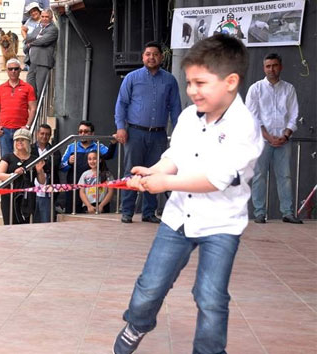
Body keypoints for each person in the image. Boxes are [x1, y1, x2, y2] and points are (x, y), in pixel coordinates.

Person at [111, 34, 264, 354]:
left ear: (230, 81)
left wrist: (165, 185)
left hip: (222, 223)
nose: (192, 91)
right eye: (189, 83)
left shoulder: (244, 126)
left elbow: (216, 179)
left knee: (210, 297)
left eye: (200, 83)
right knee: (150, 287)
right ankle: (137, 322)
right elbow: (175, 157)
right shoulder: (188, 117)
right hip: (179, 215)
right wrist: (154, 172)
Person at [114, 41, 181, 224]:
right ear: (143, 57)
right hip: (135, 133)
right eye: (148, 54)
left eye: (155, 54)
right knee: (131, 172)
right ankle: (127, 211)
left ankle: (149, 212)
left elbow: (175, 108)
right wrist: (120, 127)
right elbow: (121, 104)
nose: (151, 57)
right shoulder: (132, 78)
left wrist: (180, 133)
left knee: (155, 173)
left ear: (161, 57)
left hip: (158, 134)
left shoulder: (169, 80)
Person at [246, 53, 302, 224]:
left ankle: (287, 212)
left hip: (283, 141)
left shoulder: (289, 89)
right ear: (264, 68)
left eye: (275, 65)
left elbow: (294, 114)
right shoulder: (255, 89)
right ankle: (260, 213)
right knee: (259, 176)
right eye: (268, 66)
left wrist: (285, 135)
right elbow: (253, 117)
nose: (271, 69)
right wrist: (269, 137)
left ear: (281, 67)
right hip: (262, 141)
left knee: (285, 176)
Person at [60, 120, 114, 214]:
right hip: (74, 189)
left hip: (94, 192)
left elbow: (109, 155)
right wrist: (68, 162)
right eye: (80, 131)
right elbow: (61, 166)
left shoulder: (98, 146)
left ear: (92, 134)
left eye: (86, 131)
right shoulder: (71, 147)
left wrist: (113, 144)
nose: (82, 134)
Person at [0, 128, 45, 225]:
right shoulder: (8, 157)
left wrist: (40, 171)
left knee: (25, 223)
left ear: (27, 142)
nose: (19, 142)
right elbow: (0, 175)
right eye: (17, 140)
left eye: (22, 140)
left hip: (27, 197)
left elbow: (42, 182)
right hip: (9, 195)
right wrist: (13, 174)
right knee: (9, 222)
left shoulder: (34, 159)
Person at [0, 58, 37, 157]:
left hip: (21, 129)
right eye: (10, 69)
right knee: (5, 159)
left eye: (16, 69)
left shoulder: (28, 88)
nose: (13, 71)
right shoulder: (0, 89)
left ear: (20, 70)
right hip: (4, 130)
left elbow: (33, 108)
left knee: (22, 158)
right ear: (7, 70)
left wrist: (27, 126)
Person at [24, 9, 58, 96]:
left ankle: (38, 109)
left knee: (40, 90)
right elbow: (28, 38)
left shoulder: (53, 29)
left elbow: (43, 41)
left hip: (43, 62)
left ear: (51, 17)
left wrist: (31, 43)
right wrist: (32, 41)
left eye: (47, 17)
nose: (44, 19)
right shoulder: (38, 28)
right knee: (30, 89)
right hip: (33, 62)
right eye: (42, 16)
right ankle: (32, 109)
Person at [31, 123, 60, 223]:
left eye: (47, 134)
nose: (44, 136)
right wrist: (44, 164)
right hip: (32, 191)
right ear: (37, 134)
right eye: (42, 133)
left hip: (48, 192)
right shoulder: (30, 149)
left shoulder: (55, 150)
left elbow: (53, 165)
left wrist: (39, 165)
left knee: (46, 221)